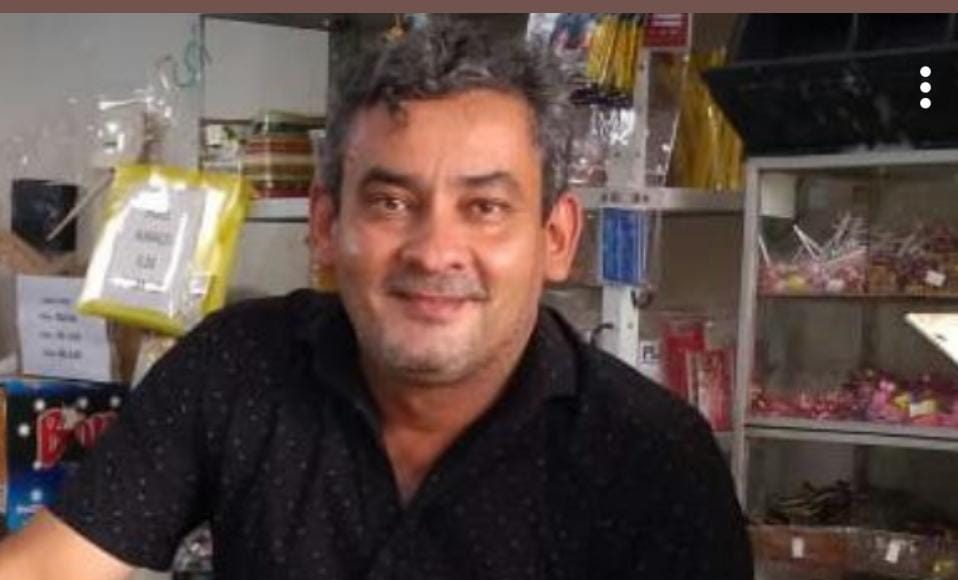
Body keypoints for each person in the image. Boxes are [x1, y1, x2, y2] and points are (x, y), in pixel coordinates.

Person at [0, 20, 752, 580]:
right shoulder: (236, 368)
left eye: (485, 208)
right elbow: (45, 568)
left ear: (555, 238)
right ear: (326, 225)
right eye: (392, 203)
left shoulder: (652, 461)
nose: (434, 250)